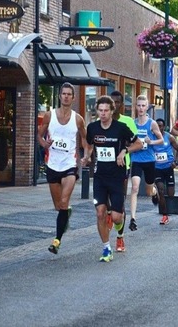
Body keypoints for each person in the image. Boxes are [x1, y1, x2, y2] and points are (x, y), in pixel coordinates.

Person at [84, 95, 143, 262]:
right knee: (100, 212)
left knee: (116, 216)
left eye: (105, 111)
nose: (102, 114)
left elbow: (138, 144)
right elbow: (89, 144)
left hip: (117, 176)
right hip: (100, 176)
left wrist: (125, 151)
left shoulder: (121, 128)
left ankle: (120, 232)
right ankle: (106, 248)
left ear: (111, 112)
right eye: (100, 110)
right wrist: (87, 156)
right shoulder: (93, 128)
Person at [37, 82, 87, 254]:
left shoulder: (78, 119)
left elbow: (86, 140)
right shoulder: (49, 116)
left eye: (69, 94)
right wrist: (45, 144)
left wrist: (87, 155)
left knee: (64, 201)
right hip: (52, 165)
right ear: (59, 96)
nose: (66, 96)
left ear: (73, 98)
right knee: (59, 206)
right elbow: (40, 136)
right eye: (63, 94)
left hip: (69, 165)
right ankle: (66, 213)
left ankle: (57, 241)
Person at [129, 95, 163, 231]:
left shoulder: (152, 123)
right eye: (139, 105)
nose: (141, 108)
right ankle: (133, 218)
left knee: (148, 191)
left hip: (149, 160)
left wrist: (151, 142)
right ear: (135, 106)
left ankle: (154, 193)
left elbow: (161, 140)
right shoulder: (133, 123)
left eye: (143, 105)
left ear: (147, 106)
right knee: (135, 188)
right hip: (136, 159)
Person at [109, 91, 138, 252]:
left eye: (118, 102)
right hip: (104, 168)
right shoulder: (102, 120)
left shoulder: (127, 122)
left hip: (122, 168)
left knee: (119, 204)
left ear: (121, 105)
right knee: (104, 203)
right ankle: (108, 214)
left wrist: (125, 150)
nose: (114, 105)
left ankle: (120, 238)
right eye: (112, 102)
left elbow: (136, 143)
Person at [154, 118, 178, 225]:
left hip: (168, 167)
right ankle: (164, 215)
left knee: (170, 194)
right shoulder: (151, 137)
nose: (159, 128)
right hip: (157, 168)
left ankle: (158, 198)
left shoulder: (169, 137)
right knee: (161, 189)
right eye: (157, 126)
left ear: (164, 127)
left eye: (161, 126)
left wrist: (176, 162)